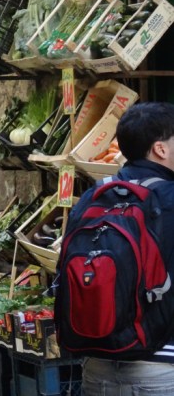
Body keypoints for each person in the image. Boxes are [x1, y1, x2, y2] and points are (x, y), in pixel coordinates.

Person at [79, 101, 174, 394]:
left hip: (97, 365)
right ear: (161, 148)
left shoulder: (94, 196)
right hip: (161, 370)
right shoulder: (169, 199)